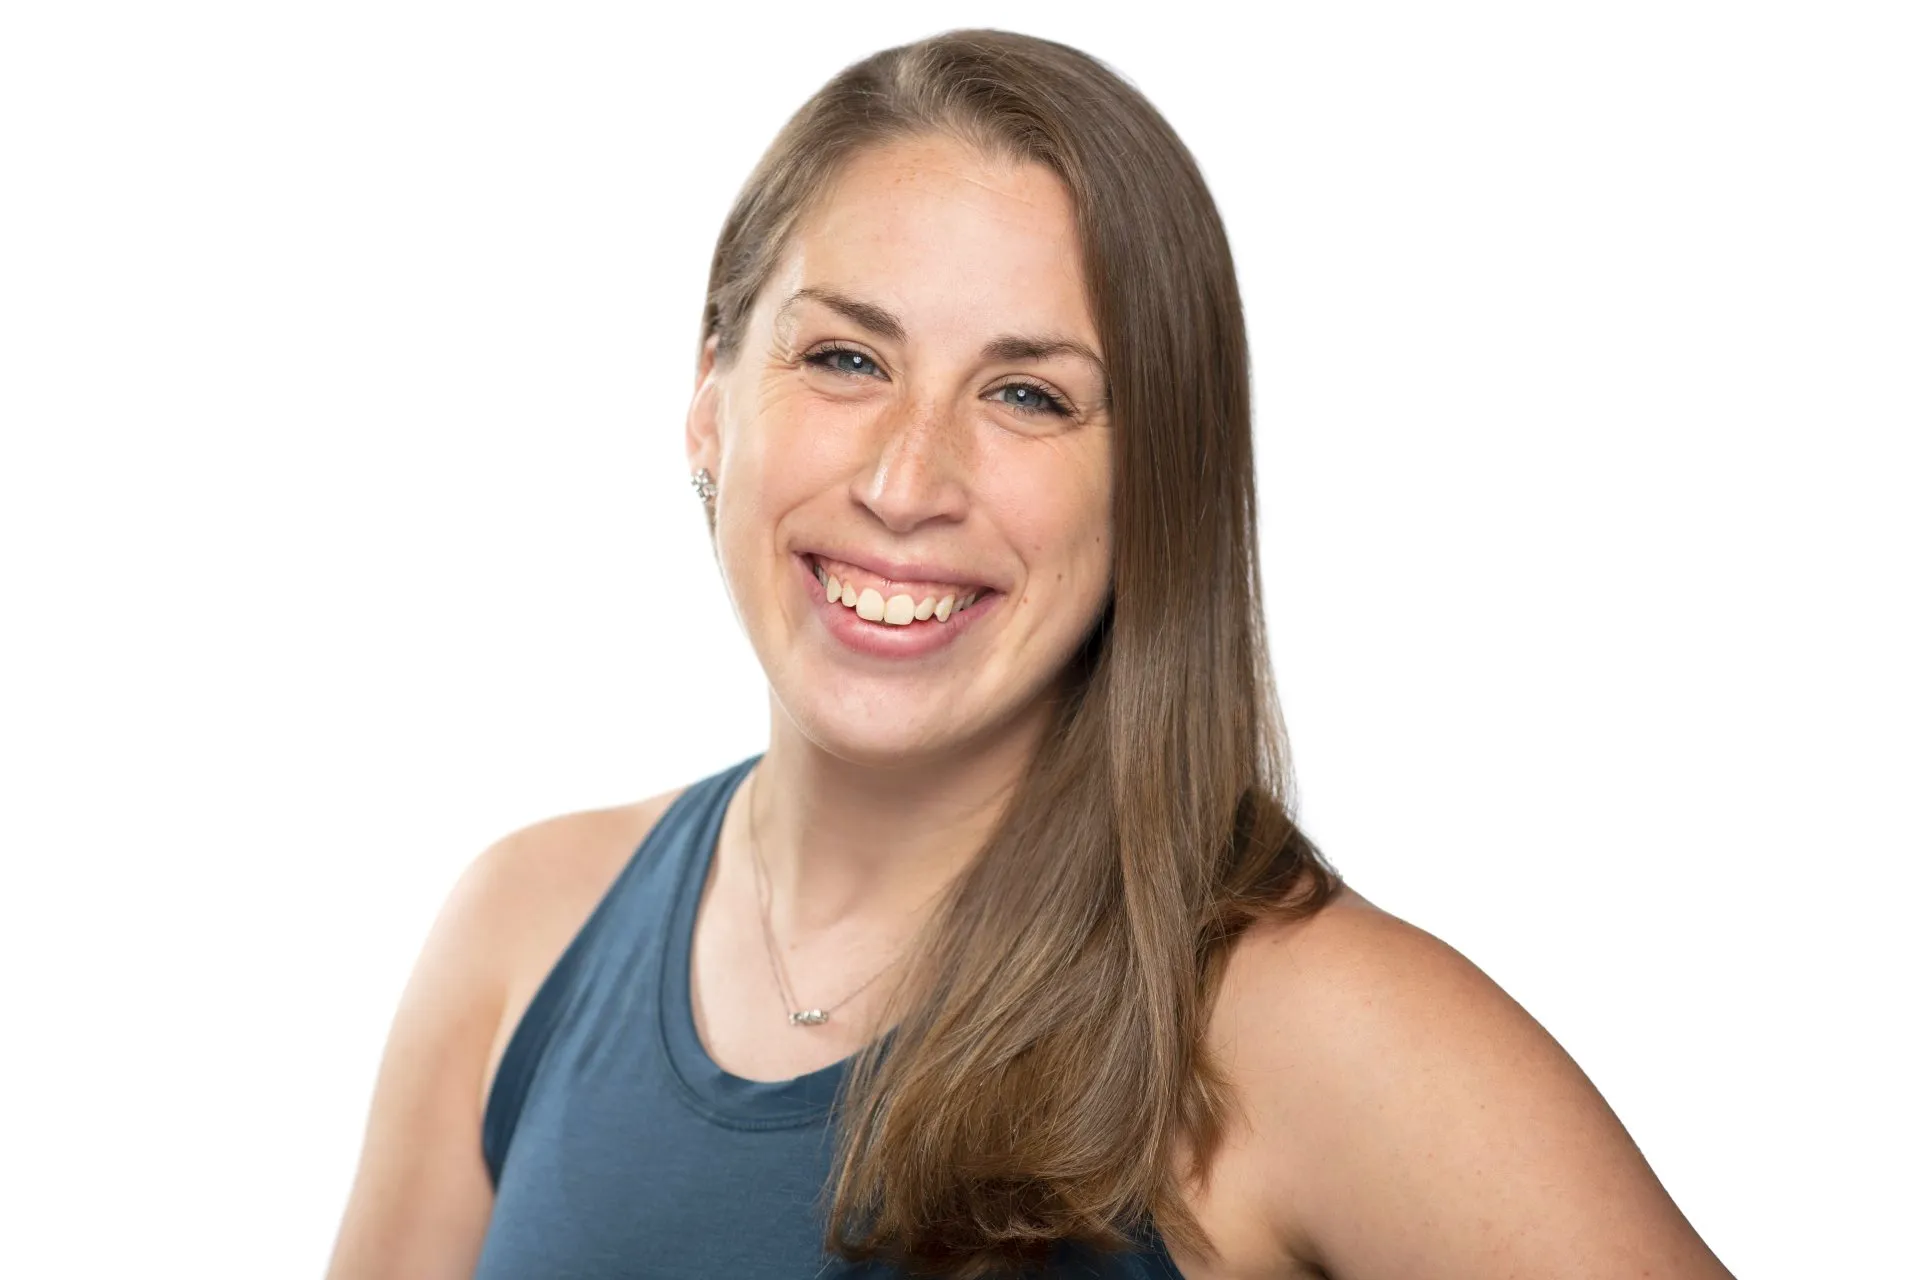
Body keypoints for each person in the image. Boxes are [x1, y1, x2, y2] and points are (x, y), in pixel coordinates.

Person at [327, 28, 1735, 1280]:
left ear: (1156, 484)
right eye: (844, 360)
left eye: (1027, 394)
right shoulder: (524, 932)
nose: (907, 478)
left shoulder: (1307, 1030)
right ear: (710, 401)